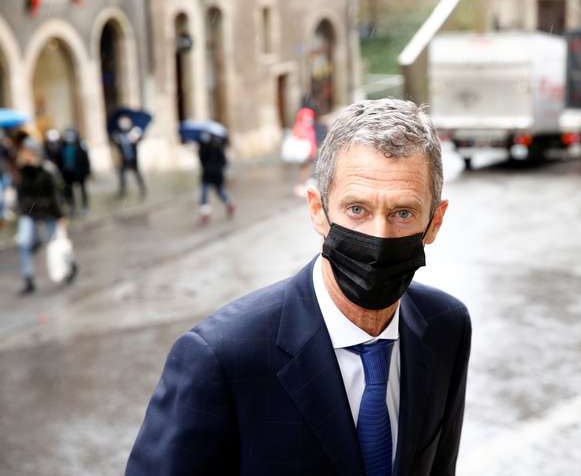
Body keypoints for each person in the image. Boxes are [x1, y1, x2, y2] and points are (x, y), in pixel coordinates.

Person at [126, 99, 472, 476]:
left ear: (434, 222)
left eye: (402, 213)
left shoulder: (446, 328)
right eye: (356, 209)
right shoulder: (221, 359)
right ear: (318, 211)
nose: (379, 235)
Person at [15, 138, 77, 295]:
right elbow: (21, 194)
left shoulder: (47, 170)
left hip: (49, 212)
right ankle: (28, 279)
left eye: (30, 152)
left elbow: (56, 195)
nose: (27, 156)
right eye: (25, 152)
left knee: (54, 242)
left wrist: (61, 216)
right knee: (23, 242)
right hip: (29, 213)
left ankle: (70, 264)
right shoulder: (23, 171)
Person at [197, 131, 235, 224]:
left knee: (215, 192)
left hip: (213, 174)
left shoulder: (213, 147)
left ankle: (228, 204)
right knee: (207, 192)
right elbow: (224, 162)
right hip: (211, 174)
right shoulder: (204, 148)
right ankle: (205, 212)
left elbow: (223, 161)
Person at [111, 116, 146, 198]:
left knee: (137, 174)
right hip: (123, 158)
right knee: (122, 175)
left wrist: (136, 138)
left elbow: (140, 138)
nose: (124, 125)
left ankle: (142, 189)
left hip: (133, 158)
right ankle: (122, 191)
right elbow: (115, 143)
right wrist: (116, 140)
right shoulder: (118, 134)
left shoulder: (133, 132)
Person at [60, 128, 91, 215]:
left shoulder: (81, 146)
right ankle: (72, 207)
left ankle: (85, 206)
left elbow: (86, 160)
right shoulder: (63, 147)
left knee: (83, 190)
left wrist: (87, 172)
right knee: (69, 191)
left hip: (80, 173)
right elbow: (60, 160)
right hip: (68, 173)